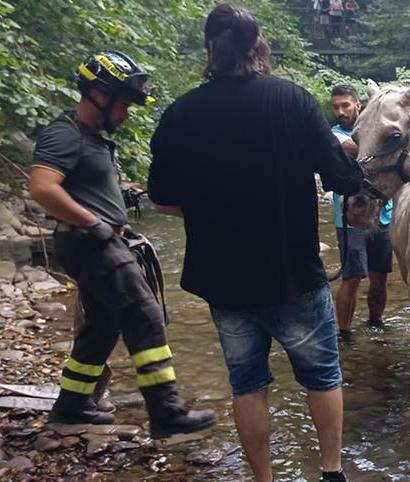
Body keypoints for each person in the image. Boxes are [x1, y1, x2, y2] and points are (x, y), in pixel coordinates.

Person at [147, 5, 363, 482]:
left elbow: (162, 201)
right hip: (293, 274)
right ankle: (332, 473)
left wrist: (210, 208)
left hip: (224, 282)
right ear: (257, 46)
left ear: (210, 49)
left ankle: (263, 478)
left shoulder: (181, 114)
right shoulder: (293, 101)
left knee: (247, 384)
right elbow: (343, 179)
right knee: (323, 376)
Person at [29, 50, 217, 438]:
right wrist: (95, 223)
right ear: (100, 94)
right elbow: (42, 188)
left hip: (96, 240)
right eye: (124, 103)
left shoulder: (91, 138)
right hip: (90, 242)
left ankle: (73, 406)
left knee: (101, 326)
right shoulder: (64, 133)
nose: (127, 113)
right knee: (142, 313)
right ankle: (167, 411)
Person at [329, 84, 394, 336]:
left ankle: (376, 325)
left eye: (346, 105)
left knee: (380, 278)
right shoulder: (332, 134)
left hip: (384, 215)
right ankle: (344, 333)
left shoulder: (373, 129)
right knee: (352, 277)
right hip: (349, 219)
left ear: (358, 105)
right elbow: (351, 147)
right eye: (336, 107)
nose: (341, 111)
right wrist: (380, 141)